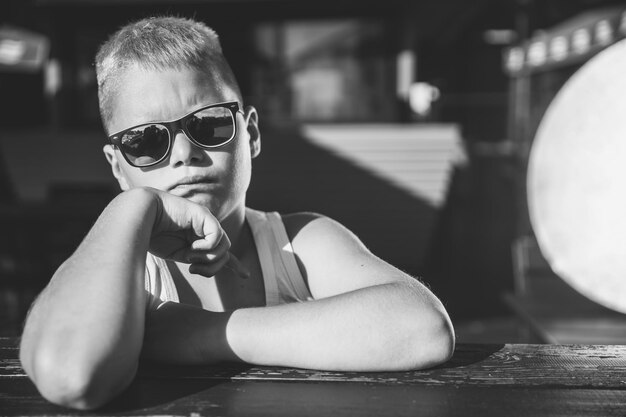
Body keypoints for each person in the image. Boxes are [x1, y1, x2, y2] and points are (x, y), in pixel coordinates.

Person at [19, 16, 455, 410]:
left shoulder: (296, 243)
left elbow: (423, 328)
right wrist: (134, 205)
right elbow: (71, 376)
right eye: (145, 142)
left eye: (209, 124)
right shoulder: (120, 266)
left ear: (250, 135)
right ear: (118, 166)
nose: (185, 154)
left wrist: (197, 333)